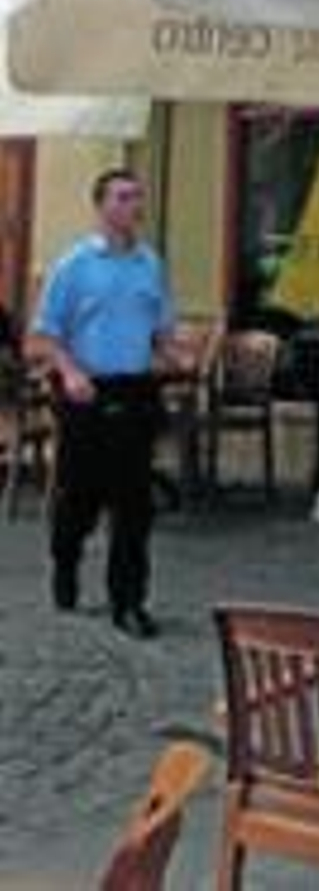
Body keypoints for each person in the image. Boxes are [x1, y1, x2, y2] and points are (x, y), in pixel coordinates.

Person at [28, 167, 175, 638]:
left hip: (135, 391)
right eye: (124, 197)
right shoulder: (73, 266)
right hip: (86, 392)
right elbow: (42, 337)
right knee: (78, 501)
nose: (134, 206)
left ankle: (129, 602)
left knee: (135, 505)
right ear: (102, 206)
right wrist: (69, 372)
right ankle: (65, 563)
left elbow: (162, 329)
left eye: (138, 197)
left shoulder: (150, 265)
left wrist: (174, 352)